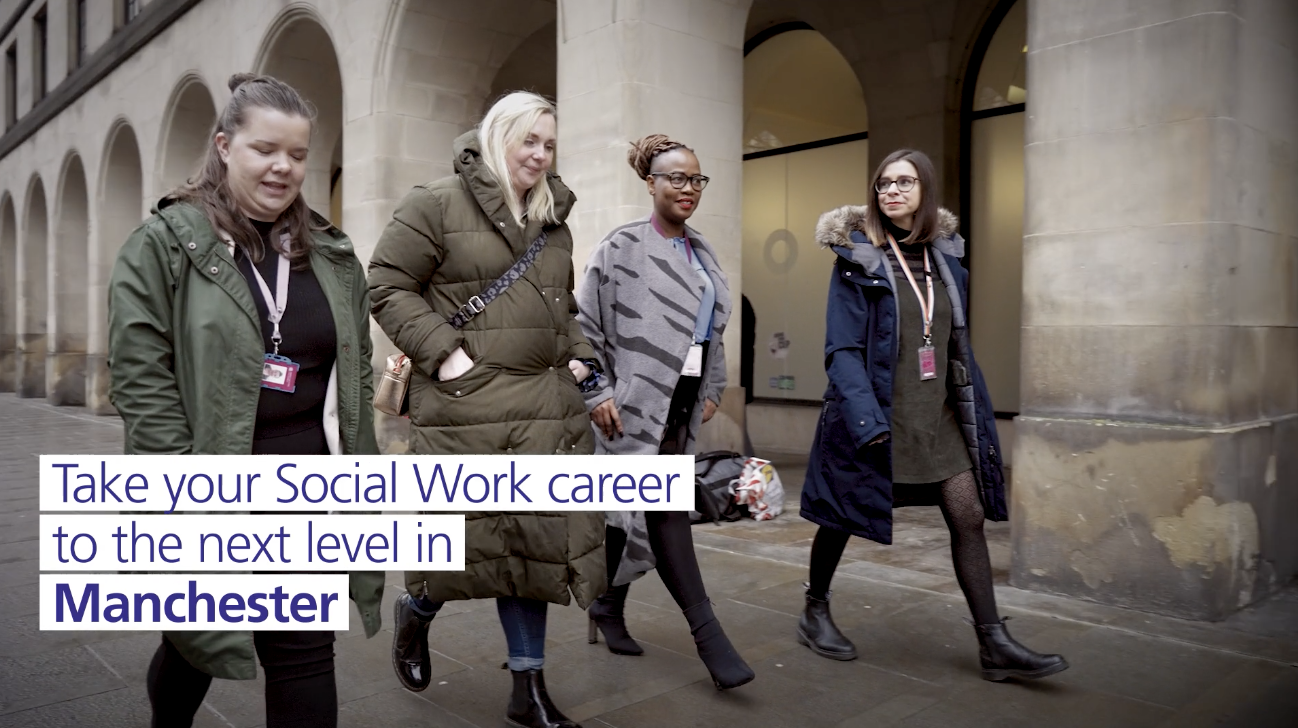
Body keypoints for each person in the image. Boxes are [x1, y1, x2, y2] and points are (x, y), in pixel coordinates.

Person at [107, 73, 383, 728]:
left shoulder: (332, 255)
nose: (283, 167)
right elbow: (141, 382)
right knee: (196, 643)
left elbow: (358, 369)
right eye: (266, 150)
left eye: (297, 154)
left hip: (307, 494)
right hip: (211, 487)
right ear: (225, 145)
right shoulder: (164, 246)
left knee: (304, 652)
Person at [368, 91, 603, 728]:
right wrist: (445, 355)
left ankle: (527, 690)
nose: (541, 154)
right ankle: (414, 613)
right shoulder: (435, 203)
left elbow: (562, 308)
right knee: (461, 540)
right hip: (466, 406)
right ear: (497, 136)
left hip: (544, 411)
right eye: (530, 139)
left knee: (533, 546)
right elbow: (385, 284)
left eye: (550, 144)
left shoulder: (555, 219)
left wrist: (580, 357)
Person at [798, 148, 1068, 681]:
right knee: (842, 517)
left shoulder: (949, 265)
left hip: (937, 416)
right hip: (872, 415)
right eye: (883, 184)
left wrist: (970, 409)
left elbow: (950, 346)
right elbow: (842, 351)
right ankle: (815, 609)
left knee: (967, 517)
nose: (891, 192)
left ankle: (994, 642)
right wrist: (865, 420)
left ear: (926, 190)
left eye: (904, 182)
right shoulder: (856, 260)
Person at [575, 134, 755, 691]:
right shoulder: (621, 247)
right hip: (630, 408)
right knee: (665, 514)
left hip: (681, 406)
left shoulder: (703, 250)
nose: (688, 189)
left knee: (626, 518)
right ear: (650, 182)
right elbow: (583, 329)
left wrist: (713, 385)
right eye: (676, 178)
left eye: (697, 179)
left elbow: (712, 331)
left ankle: (605, 606)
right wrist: (596, 390)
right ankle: (710, 639)